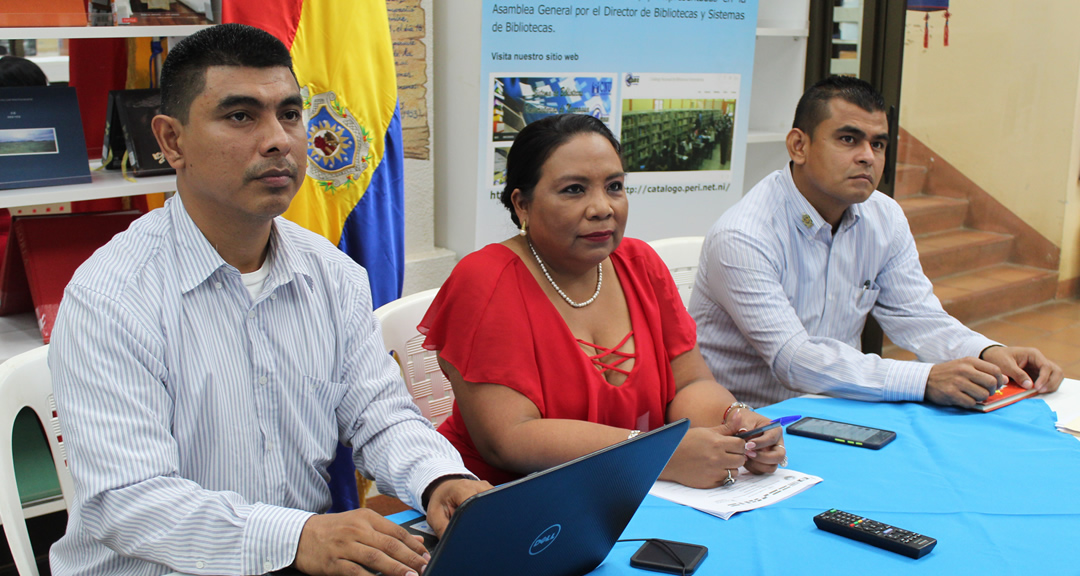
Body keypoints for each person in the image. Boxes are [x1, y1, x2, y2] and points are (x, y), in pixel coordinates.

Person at [48, 24, 490, 576]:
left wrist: (438, 479)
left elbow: (378, 414)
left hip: (296, 562)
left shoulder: (330, 273)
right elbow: (129, 501)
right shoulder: (111, 297)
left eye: (290, 113)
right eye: (240, 116)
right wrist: (297, 535)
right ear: (171, 141)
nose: (278, 139)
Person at [419, 114, 785, 491]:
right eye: (574, 190)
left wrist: (736, 423)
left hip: (631, 489)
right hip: (506, 500)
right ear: (522, 204)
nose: (602, 207)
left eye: (614, 186)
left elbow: (689, 383)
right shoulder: (486, 281)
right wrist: (655, 455)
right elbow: (508, 439)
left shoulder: (640, 264)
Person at [689, 75, 1063, 409]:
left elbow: (917, 317)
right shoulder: (743, 236)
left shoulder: (883, 216)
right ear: (798, 146)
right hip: (751, 426)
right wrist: (924, 379)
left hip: (846, 406)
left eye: (879, 144)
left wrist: (989, 353)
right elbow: (795, 359)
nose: (867, 157)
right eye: (848, 139)